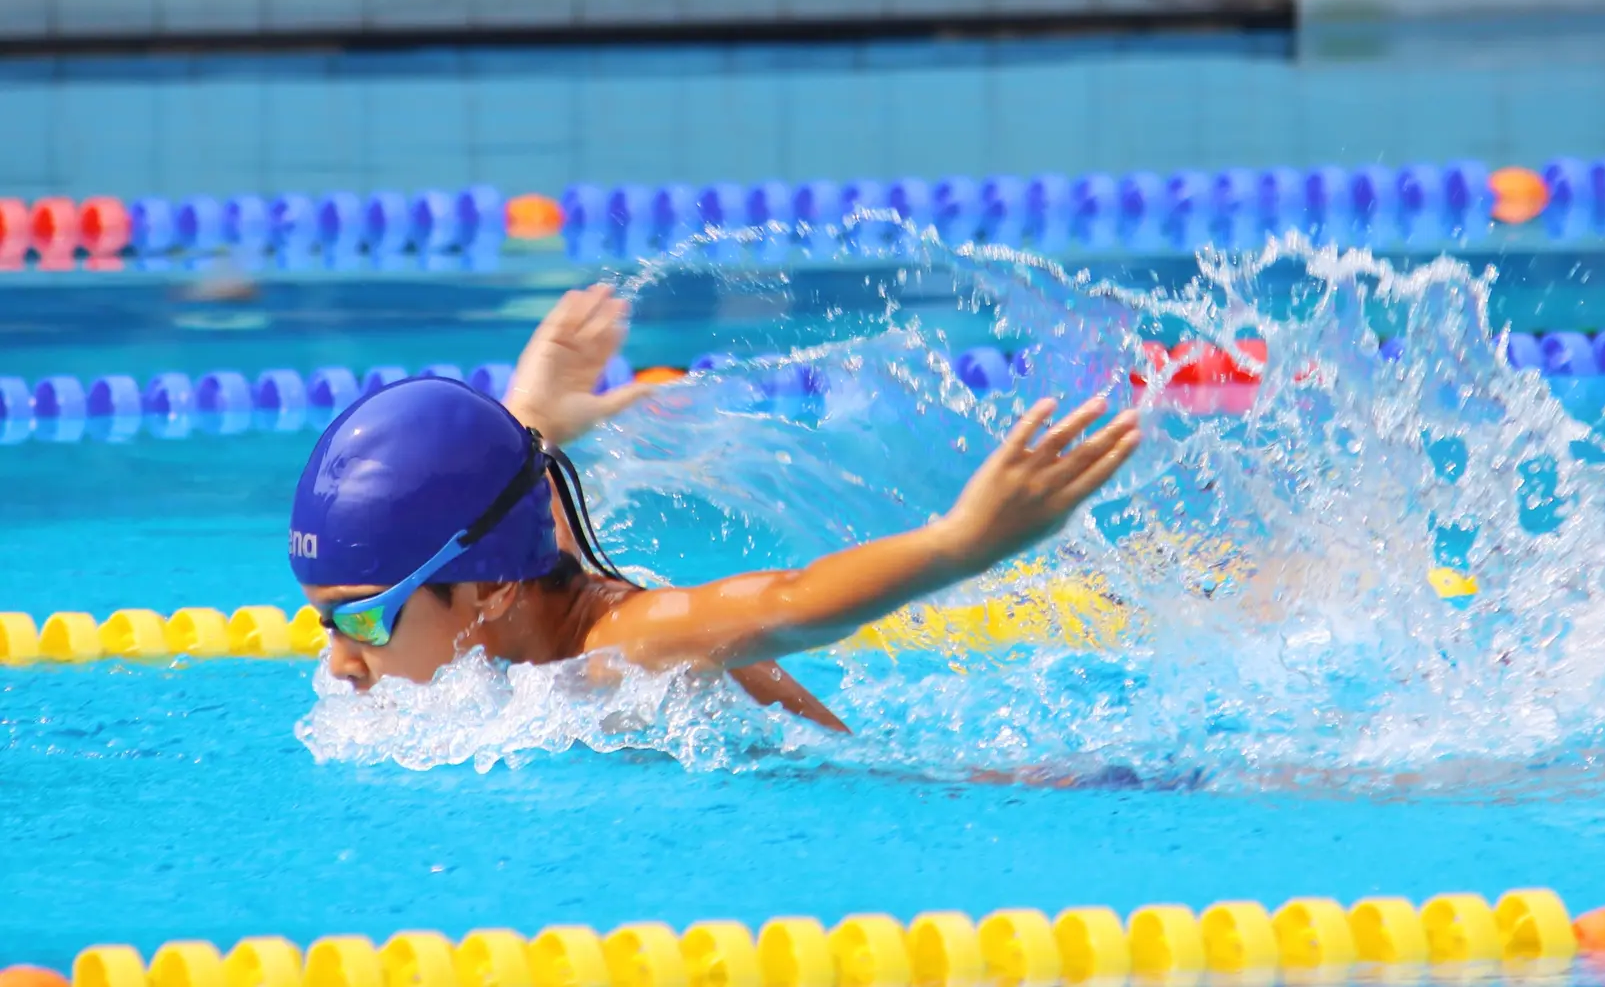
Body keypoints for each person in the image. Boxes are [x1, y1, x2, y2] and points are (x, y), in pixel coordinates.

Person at [293, 284, 1141, 732]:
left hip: (900, 788)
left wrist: (961, 543)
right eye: (327, 624)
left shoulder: (624, 647)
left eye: (363, 621)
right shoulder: (516, 575)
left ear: (490, 591)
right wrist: (533, 415)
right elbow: (504, 492)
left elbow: (789, 603)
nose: (339, 663)